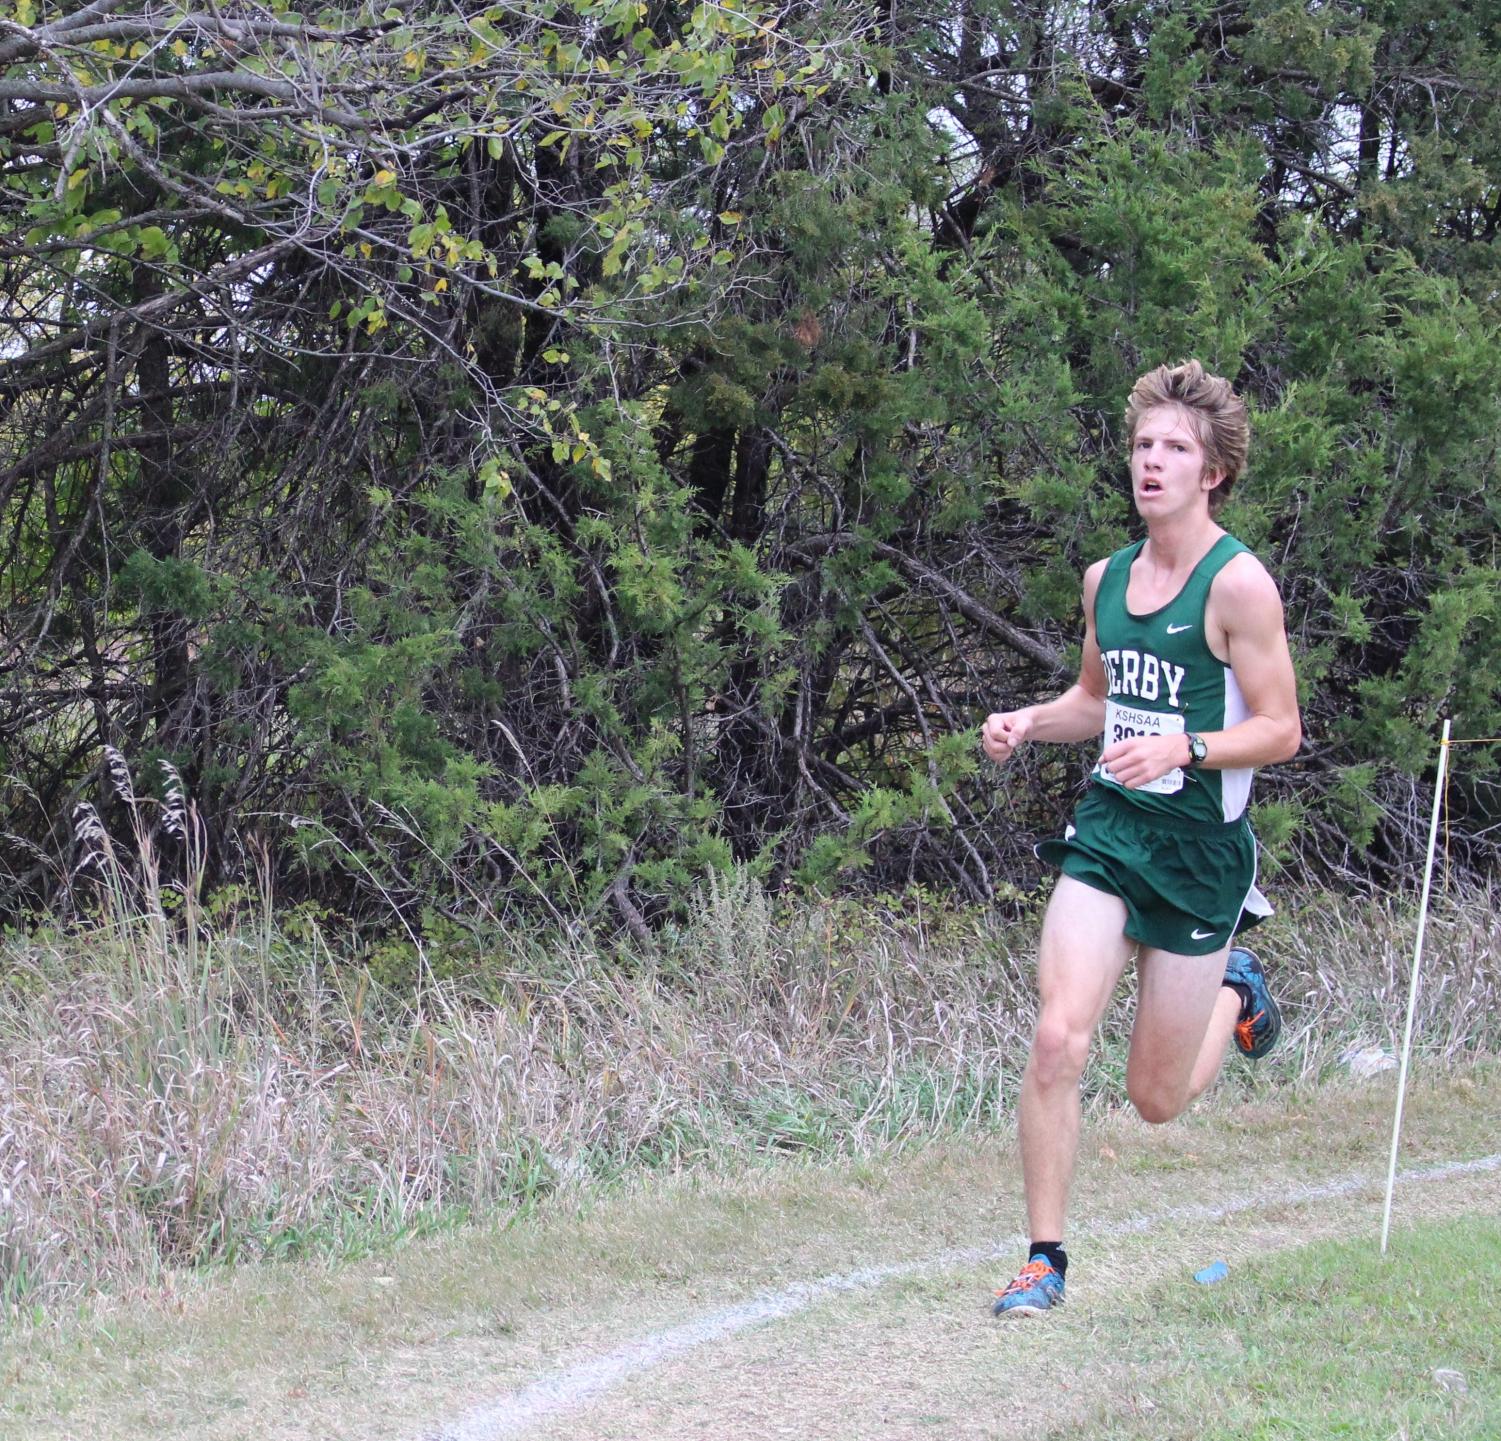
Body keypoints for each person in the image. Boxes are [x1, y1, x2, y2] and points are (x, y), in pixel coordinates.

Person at [981, 360, 1301, 1318]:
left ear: (1211, 473)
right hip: (1112, 832)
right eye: (1142, 445)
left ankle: (1235, 984)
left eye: (1173, 449)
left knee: (1155, 1099)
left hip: (1201, 851)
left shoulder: (1239, 585)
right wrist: (1029, 722)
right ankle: (1044, 1260)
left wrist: (1188, 745)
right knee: (1054, 1035)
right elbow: (1093, 700)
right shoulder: (1105, 580)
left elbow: (1280, 730)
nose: (1150, 462)